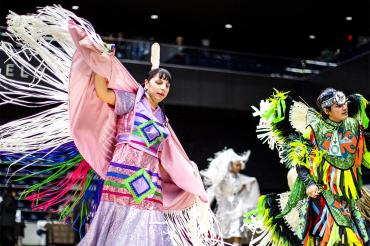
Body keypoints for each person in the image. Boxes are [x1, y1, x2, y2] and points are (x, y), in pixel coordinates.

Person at [0, 6, 221, 246]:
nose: (163, 88)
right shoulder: (131, 102)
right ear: (146, 83)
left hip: (149, 179)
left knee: (147, 226)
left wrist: (185, 174)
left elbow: (168, 155)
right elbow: (103, 93)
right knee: (118, 222)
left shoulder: (162, 119)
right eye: (159, 82)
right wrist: (101, 64)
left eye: (167, 86)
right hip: (123, 171)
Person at [246, 88, 370, 245]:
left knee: (358, 232)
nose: (344, 107)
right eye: (338, 106)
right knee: (337, 233)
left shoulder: (354, 126)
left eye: (345, 103)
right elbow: (300, 161)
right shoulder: (313, 130)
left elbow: (363, 154)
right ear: (327, 110)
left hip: (350, 194)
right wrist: (309, 184)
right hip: (324, 192)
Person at [201, 148, 260, 246]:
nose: (238, 167)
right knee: (224, 232)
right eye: (236, 165)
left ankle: (236, 244)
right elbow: (213, 191)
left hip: (236, 207)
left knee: (237, 227)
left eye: (239, 165)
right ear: (230, 165)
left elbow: (242, 186)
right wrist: (205, 206)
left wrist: (244, 187)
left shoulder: (239, 178)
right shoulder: (223, 178)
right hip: (224, 208)